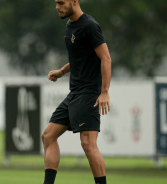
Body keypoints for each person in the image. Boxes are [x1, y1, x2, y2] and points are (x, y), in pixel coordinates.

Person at [42, 0, 111, 184]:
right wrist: (62, 72)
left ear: (74, 1)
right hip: (75, 93)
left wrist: (104, 91)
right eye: (56, 3)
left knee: (88, 143)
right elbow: (79, 57)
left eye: (61, 2)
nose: (57, 6)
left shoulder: (89, 26)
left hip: (89, 93)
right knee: (48, 135)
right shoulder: (69, 26)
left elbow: (105, 58)